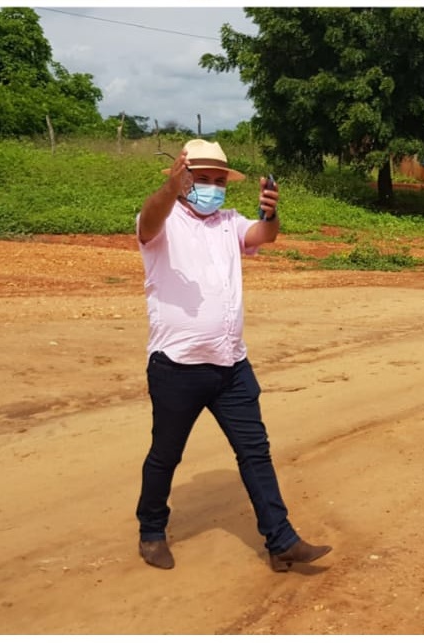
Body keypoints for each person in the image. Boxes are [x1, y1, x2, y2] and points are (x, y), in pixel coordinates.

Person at [134, 139, 331, 572]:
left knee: (255, 451)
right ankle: (151, 531)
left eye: (218, 181)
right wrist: (169, 191)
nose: (211, 188)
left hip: (231, 365)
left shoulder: (227, 222)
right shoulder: (164, 222)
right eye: (201, 179)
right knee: (166, 455)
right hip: (177, 367)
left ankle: (281, 540)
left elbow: (263, 235)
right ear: (182, 179)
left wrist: (271, 213)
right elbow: (148, 222)